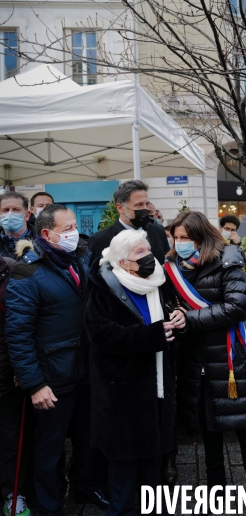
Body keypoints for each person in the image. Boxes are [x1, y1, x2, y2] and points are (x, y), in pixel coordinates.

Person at [5, 204, 108, 516]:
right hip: (53, 378)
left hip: (85, 371)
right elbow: (18, 334)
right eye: (67, 229)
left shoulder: (79, 261)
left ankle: (85, 486)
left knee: (87, 438)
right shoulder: (28, 271)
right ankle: (50, 504)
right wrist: (35, 384)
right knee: (49, 449)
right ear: (47, 234)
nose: (74, 233)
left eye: (75, 226)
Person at [164, 211, 246, 498]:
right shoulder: (173, 266)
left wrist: (191, 319)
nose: (180, 242)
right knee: (208, 429)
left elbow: (237, 305)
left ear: (201, 236)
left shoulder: (227, 258)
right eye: (176, 237)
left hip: (231, 356)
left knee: (244, 426)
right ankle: (216, 491)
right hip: (195, 359)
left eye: (186, 237)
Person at [85, 229, 178, 516]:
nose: (150, 256)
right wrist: (151, 337)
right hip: (123, 393)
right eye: (140, 252)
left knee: (153, 465)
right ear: (124, 262)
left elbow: (171, 319)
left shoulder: (160, 282)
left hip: (158, 387)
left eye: (148, 249)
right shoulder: (104, 287)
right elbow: (101, 334)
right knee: (124, 471)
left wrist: (180, 319)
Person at [0, 255, 34, 516]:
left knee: (10, 437)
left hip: (7, 371)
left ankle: (14, 493)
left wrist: (19, 368)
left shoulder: (12, 270)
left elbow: (21, 324)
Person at [87, 180, 169, 266]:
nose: (145, 209)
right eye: (139, 205)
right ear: (120, 208)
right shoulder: (100, 240)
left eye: (146, 204)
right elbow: (93, 276)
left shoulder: (158, 232)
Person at [0, 192, 35, 260]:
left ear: (27, 215)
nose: (10, 214)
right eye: (6, 210)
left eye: (16, 209)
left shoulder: (43, 241)